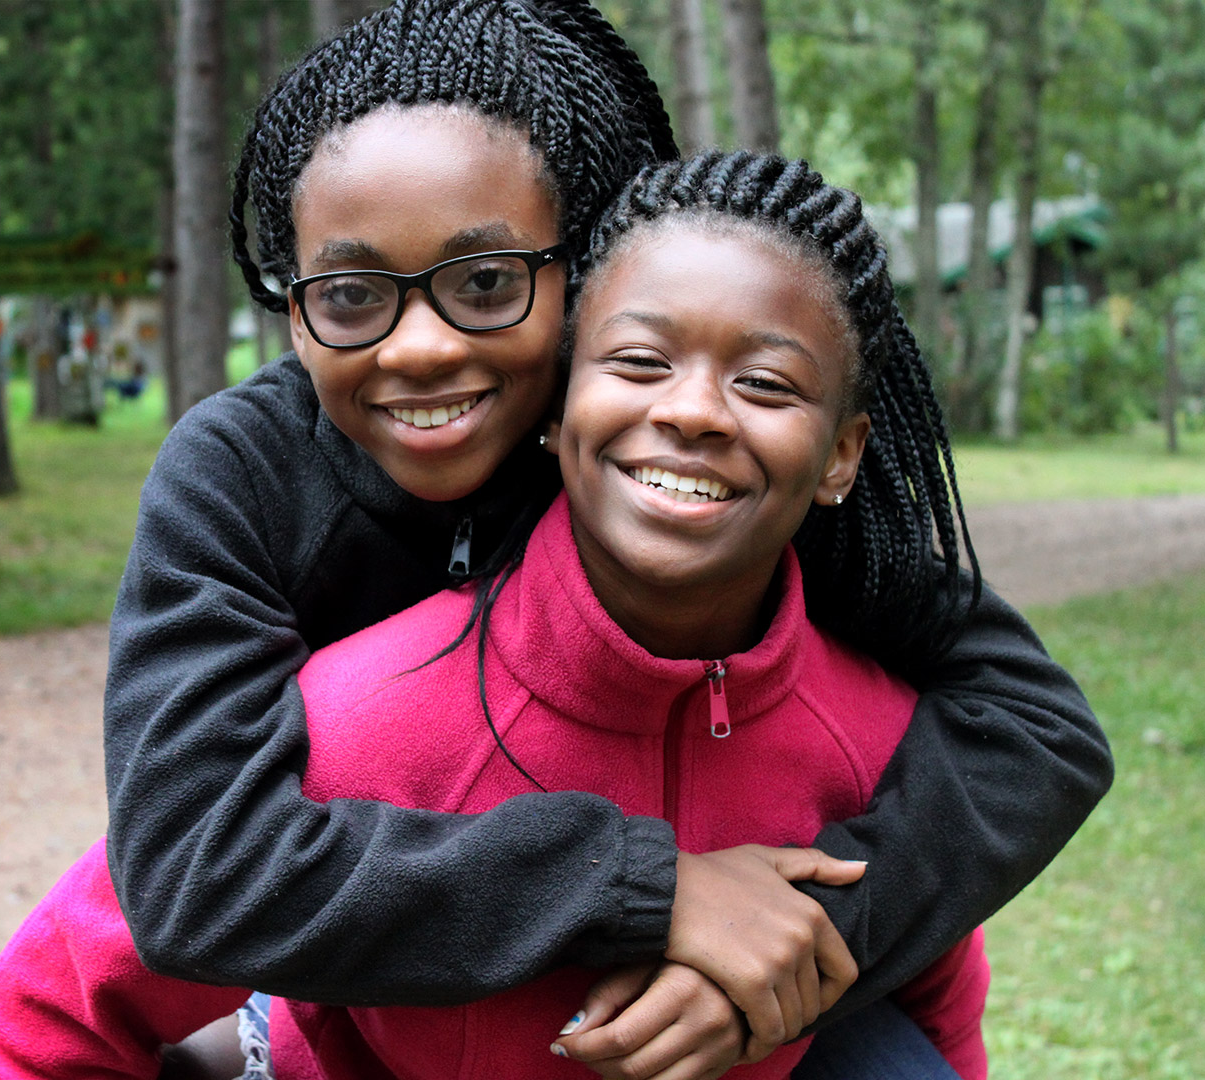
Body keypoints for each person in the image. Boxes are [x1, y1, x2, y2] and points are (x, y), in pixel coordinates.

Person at [103, 0, 1110, 1065]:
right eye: (351, 296)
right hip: (387, 1001)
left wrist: (799, 948)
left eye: (486, 283)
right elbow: (192, 872)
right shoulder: (243, 476)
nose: (423, 348)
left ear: (580, 272)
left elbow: (1034, 727)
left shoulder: (674, 471)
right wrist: (647, 885)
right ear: (297, 307)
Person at [0, 150, 1020, 1080]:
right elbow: (51, 1013)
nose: (694, 411)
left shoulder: (884, 741)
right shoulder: (361, 721)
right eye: (642, 363)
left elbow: (928, 1017)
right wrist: (639, 892)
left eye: (763, 382)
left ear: (843, 454)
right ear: (557, 414)